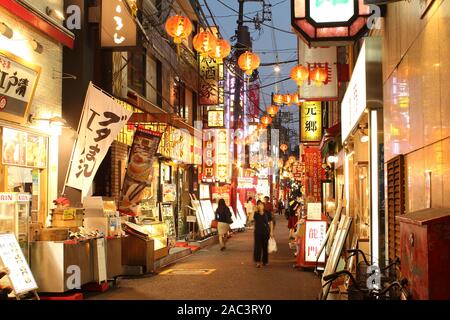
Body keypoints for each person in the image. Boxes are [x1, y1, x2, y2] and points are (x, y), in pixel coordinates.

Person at [253, 200, 274, 268]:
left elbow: (271, 222)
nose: (260, 206)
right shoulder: (256, 213)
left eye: (261, 204)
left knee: (265, 247)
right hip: (257, 232)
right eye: (258, 205)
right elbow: (252, 220)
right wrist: (254, 211)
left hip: (265, 232)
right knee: (257, 247)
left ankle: (265, 261)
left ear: (263, 205)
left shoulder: (267, 213)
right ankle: (258, 262)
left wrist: (271, 231)